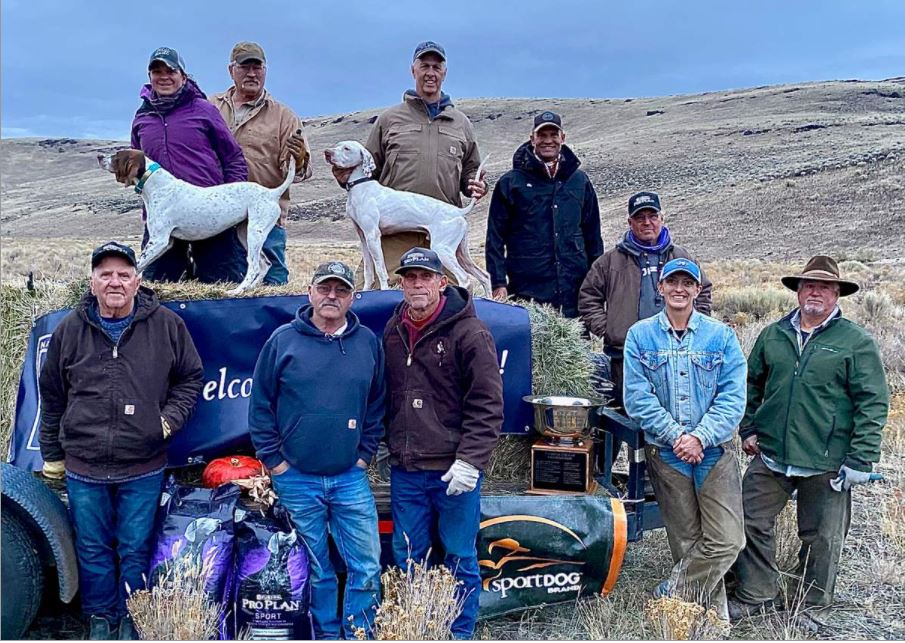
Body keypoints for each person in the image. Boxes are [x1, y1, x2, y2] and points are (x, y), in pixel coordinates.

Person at [38, 242, 203, 640]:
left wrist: (165, 422)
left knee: (135, 548)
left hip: (142, 464)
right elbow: (53, 395)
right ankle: (99, 618)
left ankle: (132, 615)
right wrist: (53, 455)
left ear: (138, 281)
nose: (115, 281)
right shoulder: (70, 330)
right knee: (92, 549)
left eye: (123, 274)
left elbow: (190, 378)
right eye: (105, 274)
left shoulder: (166, 325)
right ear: (92, 282)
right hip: (84, 466)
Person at [729, 256, 889, 628]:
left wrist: (860, 459)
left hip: (827, 458)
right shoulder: (774, 334)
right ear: (798, 292)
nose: (815, 292)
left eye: (825, 287)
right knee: (748, 518)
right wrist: (749, 428)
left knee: (823, 537)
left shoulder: (855, 342)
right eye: (808, 286)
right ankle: (757, 594)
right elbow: (750, 384)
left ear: (837, 294)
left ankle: (810, 605)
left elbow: (873, 402)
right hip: (771, 453)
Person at [248, 261, 384, 639]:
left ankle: (359, 633)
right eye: (324, 288)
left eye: (341, 290)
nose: (331, 296)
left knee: (367, 566)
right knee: (316, 568)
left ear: (353, 298)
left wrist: (364, 455)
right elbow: (261, 407)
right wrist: (275, 464)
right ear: (309, 292)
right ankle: (324, 633)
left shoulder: (367, 343)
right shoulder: (282, 341)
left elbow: (377, 404)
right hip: (296, 479)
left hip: (349, 478)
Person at [383, 247, 503, 638]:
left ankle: (459, 632)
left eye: (424, 277)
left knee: (460, 556)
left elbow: (487, 404)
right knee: (408, 556)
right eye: (409, 277)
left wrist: (471, 460)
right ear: (400, 283)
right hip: (406, 469)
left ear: (442, 282)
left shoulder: (471, 333)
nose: (416, 284)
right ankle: (417, 627)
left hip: (452, 470)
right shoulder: (394, 329)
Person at [363, 41, 487, 284]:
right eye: (424, 66)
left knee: (452, 298)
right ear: (413, 70)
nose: (431, 72)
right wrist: (342, 173)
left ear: (444, 73)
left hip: (442, 227)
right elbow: (366, 172)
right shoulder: (389, 119)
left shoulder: (461, 123)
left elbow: (471, 171)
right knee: (375, 296)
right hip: (396, 233)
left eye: (436, 67)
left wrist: (476, 184)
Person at [579, 191, 712, 402]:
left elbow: (703, 290)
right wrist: (609, 329)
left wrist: (693, 326)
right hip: (625, 357)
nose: (647, 222)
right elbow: (588, 297)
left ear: (662, 218)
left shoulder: (681, 257)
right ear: (630, 222)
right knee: (629, 416)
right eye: (640, 217)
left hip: (676, 355)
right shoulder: (610, 261)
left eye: (653, 216)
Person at [131, 46, 249, 283]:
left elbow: (233, 157)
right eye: (157, 71)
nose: (164, 76)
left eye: (170, 70)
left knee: (222, 290)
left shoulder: (203, 110)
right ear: (149, 77)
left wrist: (230, 202)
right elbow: (136, 169)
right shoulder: (142, 118)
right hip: (164, 219)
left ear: (183, 76)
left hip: (211, 215)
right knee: (156, 291)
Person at [211, 41, 312, 285]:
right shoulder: (210, 106)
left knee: (272, 287)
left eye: (258, 67)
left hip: (265, 219)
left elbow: (304, 171)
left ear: (265, 70)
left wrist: (299, 159)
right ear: (231, 70)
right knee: (220, 288)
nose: (252, 74)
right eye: (245, 67)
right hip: (216, 218)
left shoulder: (283, 116)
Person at [485, 110, 603, 317]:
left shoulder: (579, 182)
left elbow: (593, 235)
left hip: (574, 292)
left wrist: (597, 284)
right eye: (542, 135)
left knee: (575, 349)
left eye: (553, 135)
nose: (548, 141)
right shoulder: (511, 183)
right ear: (532, 139)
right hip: (526, 291)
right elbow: (494, 238)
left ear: (562, 138)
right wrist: (498, 283)